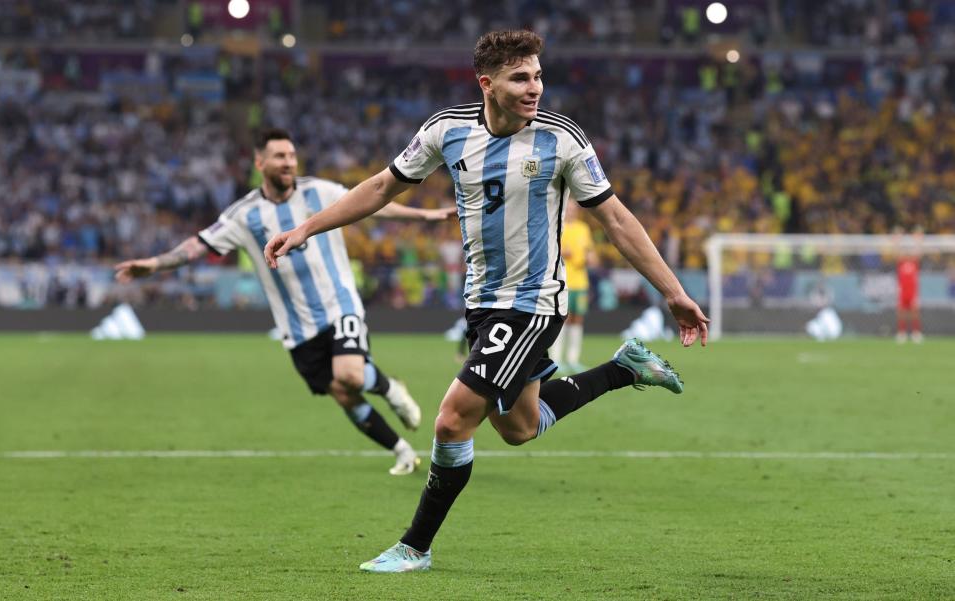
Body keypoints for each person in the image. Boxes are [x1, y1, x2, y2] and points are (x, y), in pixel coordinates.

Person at [264, 30, 709, 572]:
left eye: (538, 76)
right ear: (487, 84)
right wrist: (308, 226)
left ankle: (414, 546)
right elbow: (381, 188)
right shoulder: (446, 131)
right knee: (520, 428)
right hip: (482, 304)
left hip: (532, 304)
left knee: (452, 422)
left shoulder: (562, 140)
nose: (535, 88)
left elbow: (615, 218)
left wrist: (674, 293)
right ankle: (623, 368)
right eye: (520, 78)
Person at [115, 128, 455, 476]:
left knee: (350, 375)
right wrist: (154, 265)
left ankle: (390, 388)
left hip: (340, 305)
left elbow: (375, 202)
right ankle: (401, 452)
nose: (288, 162)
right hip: (296, 327)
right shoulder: (243, 215)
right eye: (279, 156)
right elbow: (198, 245)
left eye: (292, 155)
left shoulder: (319, 191)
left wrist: (426, 216)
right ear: (260, 162)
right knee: (343, 393)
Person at [550, 199, 596, 372]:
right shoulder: (557, 227)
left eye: (573, 209)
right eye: (568, 209)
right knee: (563, 319)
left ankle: (572, 359)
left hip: (581, 282)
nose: (571, 212)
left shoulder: (583, 228)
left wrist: (591, 257)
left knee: (577, 319)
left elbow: (590, 252)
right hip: (563, 282)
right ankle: (556, 359)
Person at [895, 229, 923, 343]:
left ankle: (916, 332)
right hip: (902, 292)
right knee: (901, 312)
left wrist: (918, 241)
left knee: (914, 313)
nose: (906, 253)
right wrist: (897, 241)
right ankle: (902, 333)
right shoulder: (901, 263)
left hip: (912, 292)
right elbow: (897, 253)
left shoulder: (914, 263)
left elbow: (918, 253)